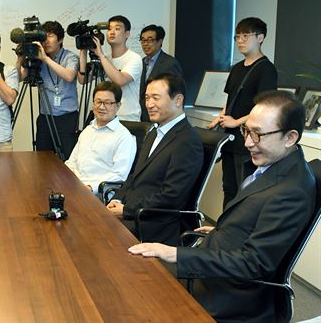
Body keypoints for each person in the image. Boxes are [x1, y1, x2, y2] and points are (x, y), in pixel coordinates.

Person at [129, 90, 314, 323]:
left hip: (231, 295)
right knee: (134, 274)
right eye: (246, 130)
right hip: (215, 264)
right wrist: (221, 230)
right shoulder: (277, 164)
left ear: (290, 137)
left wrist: (175, 254)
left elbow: (253, 264)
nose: (247, 142)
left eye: (258, 135)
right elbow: (256, 220)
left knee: (135, 297)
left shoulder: (292, 191)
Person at [106, 74, 203, 245]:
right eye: (147, 98)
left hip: (154, 223)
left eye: (156, 98)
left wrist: (126, 211)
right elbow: (134, 176)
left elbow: (171, 196)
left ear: (178, 100)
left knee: (95, 234)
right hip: (133, 213)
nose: (149, 104)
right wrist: (117, 199)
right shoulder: (153, 133)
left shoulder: (188, 141)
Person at [208, 17, 278, 207]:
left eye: (246, 36)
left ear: (261, 37)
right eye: (237, 37)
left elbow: (264, 106)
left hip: (249, 138)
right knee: (228, 188)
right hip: (230, 138)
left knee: (245, 190)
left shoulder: (266, 69)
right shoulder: (237, 68)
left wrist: (237, 121)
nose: (240, 40)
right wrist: (220, 117)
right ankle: (225, 229)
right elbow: (231, 100)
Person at [16, 20, 79, 159]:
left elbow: (69, 76)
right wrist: (20, 59)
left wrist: (45, 59)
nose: (46, 41)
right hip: (45, 117)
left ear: (60, 39)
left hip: (66, 118)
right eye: (44, 37)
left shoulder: (70, 57)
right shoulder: (37, 57)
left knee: (67, 158)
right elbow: (19, 77)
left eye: (50, 36)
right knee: (43, 158)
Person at [65, 81, 136, 194]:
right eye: (98, 102)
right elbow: (71, 162)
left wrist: (90, 188)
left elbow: (119, 175)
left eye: (108, 103)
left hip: (97, 195)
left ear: (118, 106)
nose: (101, 107)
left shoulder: (124, 137)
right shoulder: (88, 130)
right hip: (74, 188)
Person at [78, 15, 142, 121]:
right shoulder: (104, 58)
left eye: (117, 29)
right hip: (104, 117)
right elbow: (82, 80)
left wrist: (101, 56)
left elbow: (120, 80)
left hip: (126, 118)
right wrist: (83, 52)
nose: (112, 32)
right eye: (109, 29)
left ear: (127, 34)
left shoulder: (134, 58)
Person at [138, 25, 183, 122]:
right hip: (142, 118)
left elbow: (177, 92)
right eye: (143, 40)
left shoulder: (170, 63)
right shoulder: (140, 63)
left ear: (160, 41)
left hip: (161, 118)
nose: (145, 44)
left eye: (150, 40)